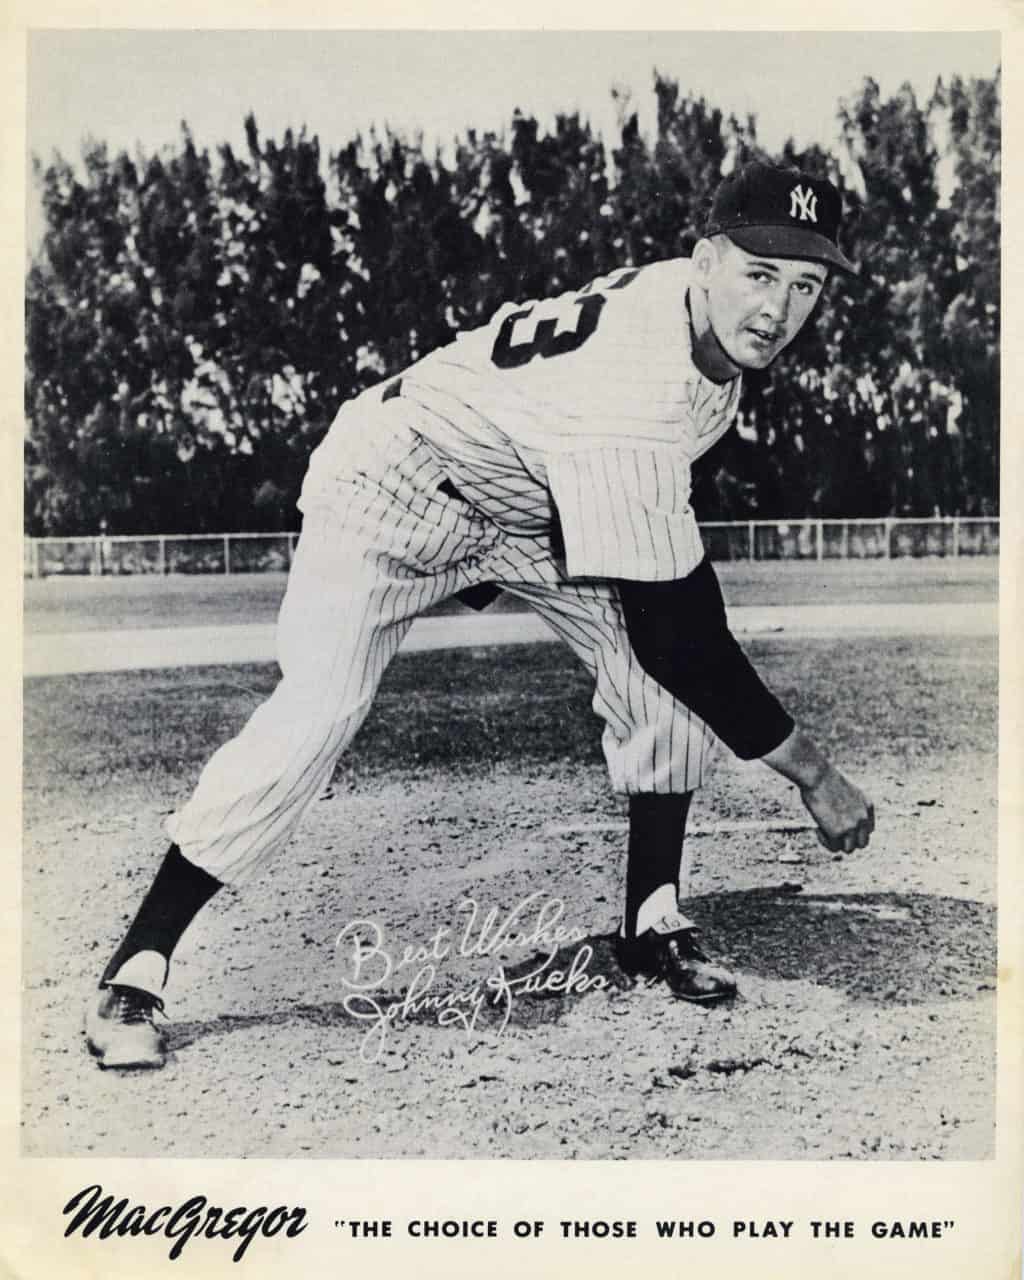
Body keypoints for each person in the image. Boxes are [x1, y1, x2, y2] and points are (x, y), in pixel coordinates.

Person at [85, 160, 874, 1070]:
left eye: (805, 284)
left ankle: (652, 919)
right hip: (392, 482)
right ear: (703, 261)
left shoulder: (699, 337)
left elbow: (667, 605)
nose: (777, 309)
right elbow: (682, 632)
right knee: (318, 713)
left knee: (657, 692)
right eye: (759, 273)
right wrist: (813, 773)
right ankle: (137, 967)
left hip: (520, 508)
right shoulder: (638, 378)